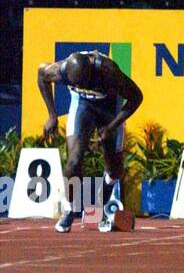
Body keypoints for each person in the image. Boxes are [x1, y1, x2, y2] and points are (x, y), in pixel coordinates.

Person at [36, 50, 143, 232]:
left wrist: (111, 127)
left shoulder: (108, 71)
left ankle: (102, 203)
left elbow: (136, 97)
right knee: (73, 161)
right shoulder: (61, 70)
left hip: (109, 106)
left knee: (115, 169)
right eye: (77, 83)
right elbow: (41, 75)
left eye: (86, 82)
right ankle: (69, 210)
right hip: (82, 104)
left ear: (91, 73)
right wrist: (52, 116)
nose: (84, 85)